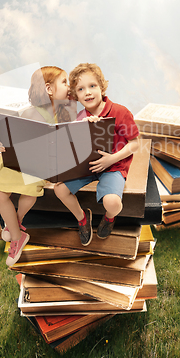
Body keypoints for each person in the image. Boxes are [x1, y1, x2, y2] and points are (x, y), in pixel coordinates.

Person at [0, 66, 74, 266]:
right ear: (49, 89)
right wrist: (0, 142)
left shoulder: (65, 112)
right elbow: (9, 134)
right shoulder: (28, 112)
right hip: (17, 159)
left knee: (30, 192)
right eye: (64, 82)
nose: (68, 86)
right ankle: (17, 235)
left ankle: (15, 229)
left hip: (38, 163)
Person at [54, 63, 140, 246]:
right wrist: (82, 126)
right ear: (76, 95)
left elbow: (135, 144)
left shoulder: (120, 112)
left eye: (92, 86)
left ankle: (109, 218)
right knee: (59, 189)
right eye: (81, 89)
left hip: (113, 165)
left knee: (113, 203)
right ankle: (82, 218)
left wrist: (112, 158)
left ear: (101, 86)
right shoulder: (80, 117)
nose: (88, 92)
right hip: (89, 166)